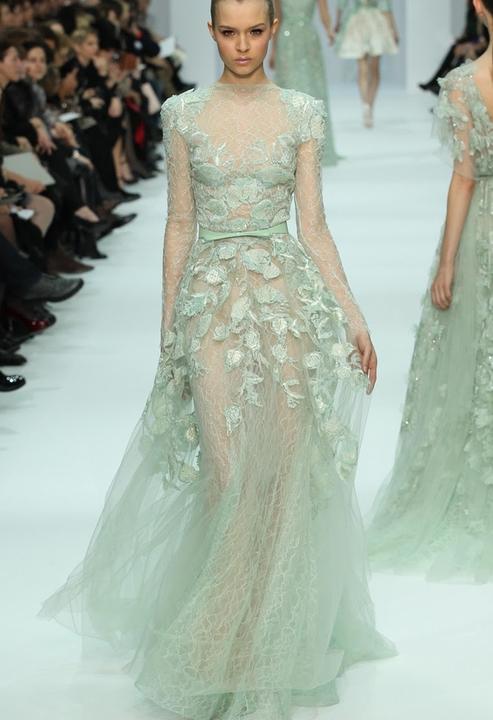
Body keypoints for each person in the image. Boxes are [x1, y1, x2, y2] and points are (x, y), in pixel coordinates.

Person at [40, 0, 395, 717]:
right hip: (209, 307)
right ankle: (221, 634)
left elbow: (314, 227)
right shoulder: (182, 114)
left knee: (280, 477)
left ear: (274, 30)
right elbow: (179, 224)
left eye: (254, 31)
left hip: (285, 304)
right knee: (226, 476)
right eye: (228, 32)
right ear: (210, 32)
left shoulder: (300, 112)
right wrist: (169, 331)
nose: (242, 45)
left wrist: (353, 315)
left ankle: (270, 631)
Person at [368, 0, 493, 584]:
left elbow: (464, 178)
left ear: (478, 8)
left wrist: (447, 262)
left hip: (481, 234)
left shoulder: (466, 84)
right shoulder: (462, 84)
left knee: (473, 357)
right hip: (480, 236)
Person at [271, 0, 339, 166]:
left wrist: (329, 30)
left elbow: (324, 12)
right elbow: (277, 18)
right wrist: (273, 50)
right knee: (287, 90)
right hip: (287, 41)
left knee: (313, 90)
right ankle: (288, 149)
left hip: (308, 41)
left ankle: (314, 147)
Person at [335, 0, 398, 128]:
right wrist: (393, 29)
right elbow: (386, 6)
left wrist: (338, 22)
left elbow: (342, 3)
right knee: (374, 70)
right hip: (376, 21)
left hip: (358, 21)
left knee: (362, 68)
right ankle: (369, 105)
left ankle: (365, 105)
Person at [419, 0, 488, 96]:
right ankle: (436, 81)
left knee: (461, 56)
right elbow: (466, 31)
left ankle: (443, 84)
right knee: (454, 49)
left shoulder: (481, 13)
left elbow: (482, 39)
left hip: (476, 43)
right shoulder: (470, 12)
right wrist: (459, 41)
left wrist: (468, 45)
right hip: (469, 40)